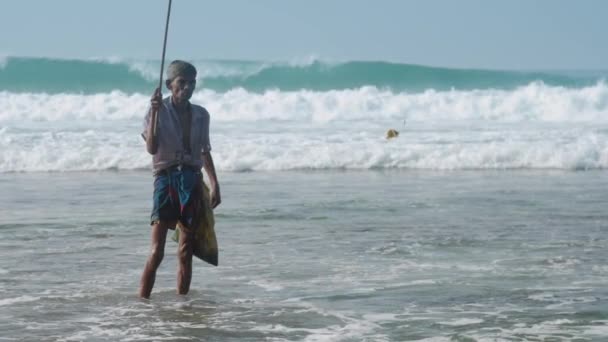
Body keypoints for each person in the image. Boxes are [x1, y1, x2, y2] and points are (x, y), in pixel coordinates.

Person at [139, 60, 221, 299]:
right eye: (181, 83)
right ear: (169, 85)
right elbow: (152, 149)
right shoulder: (157, 111)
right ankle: (142, 304)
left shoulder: (201, 115)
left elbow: (204, 151)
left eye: (192, 83)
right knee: (157, 251)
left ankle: (182, 308)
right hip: (165, 180)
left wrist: (215, 183)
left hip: (192, 181)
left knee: (185, 251)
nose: (187, 87)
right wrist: (154, 112)